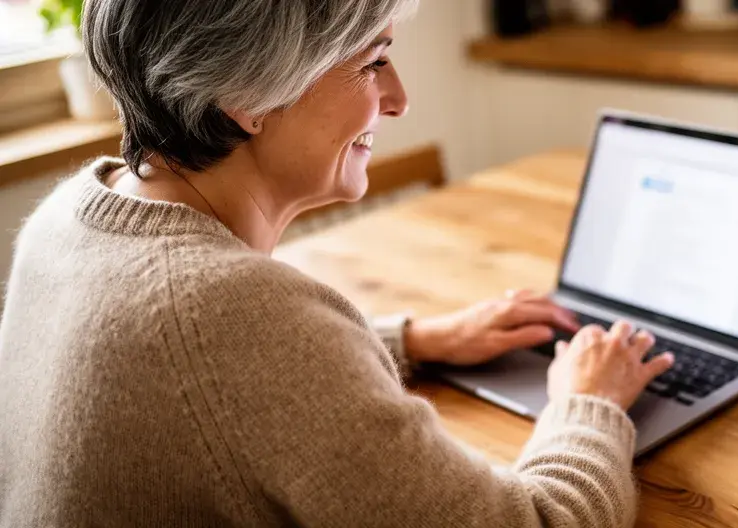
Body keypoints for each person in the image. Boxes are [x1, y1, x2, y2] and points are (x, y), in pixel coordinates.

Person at [0, 1, 675, 526]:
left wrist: (411, 341)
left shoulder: (72, 215)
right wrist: (587, 402)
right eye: (373, 61)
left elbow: (199, 385)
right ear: (248, 95)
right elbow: (540, 524)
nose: (399, 98)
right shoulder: (233, 319)